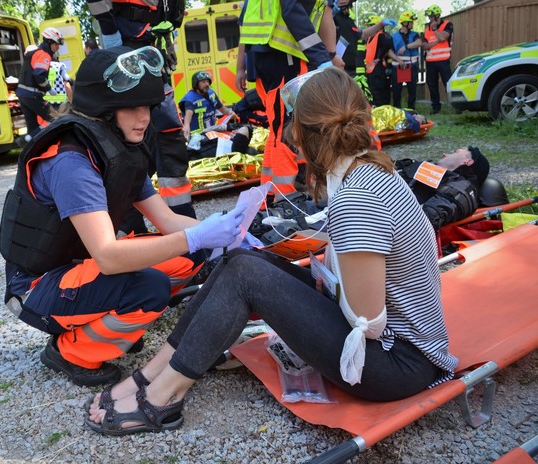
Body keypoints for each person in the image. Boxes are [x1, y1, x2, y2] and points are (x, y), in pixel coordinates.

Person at [84, 67, 458, 435]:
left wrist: (295, 294)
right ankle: (151, 375)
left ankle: (163, 396)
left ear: (306, 133)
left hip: (396, 363)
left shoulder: (356, 200)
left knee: (247, 275)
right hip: (395, 345)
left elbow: (369, 323)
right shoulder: (369, 171)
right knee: (241, 260)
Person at [0, 46, 251, 388]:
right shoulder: (72, 162)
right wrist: (196, 236)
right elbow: (108, 255)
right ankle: (71, 351)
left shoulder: (119, 150)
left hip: (78, 268)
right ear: (103, 109)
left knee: (193, 252)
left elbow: (168, 221)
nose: (144, 117)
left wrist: (232, 232)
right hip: (36, 287)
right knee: (151, 287)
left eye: (147, 106)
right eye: (132, 108)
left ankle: (110, 317)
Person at [87, 0, 196, 221]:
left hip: (152, 47)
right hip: (127, 46)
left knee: (166, 136)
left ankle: (182, 219)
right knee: (128, 139)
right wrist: (112, 40)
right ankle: (129, 223)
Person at [237, 0, 333, 203]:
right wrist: (322, 57)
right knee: (287, 131)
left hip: (266, 58)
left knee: (278, 130)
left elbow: (244, 26)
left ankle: (269, 196)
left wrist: (241, 68)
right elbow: (292, 11)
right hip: (285, 57)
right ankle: (286, 200)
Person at [396, 146, 490, 231]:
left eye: (455, 152)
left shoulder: (460, 190)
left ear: (467, 162)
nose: (444, 154)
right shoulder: (432, 173)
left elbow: (421, 222)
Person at [15, 27, 64, 148]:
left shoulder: (35, 52)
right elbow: (39, 75)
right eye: (56, 44)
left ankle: (30, 149)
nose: (58, 47)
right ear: (49, 42)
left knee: (33, 127)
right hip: (32, 94)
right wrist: (49, 88)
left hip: (23, 94)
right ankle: (25, 140)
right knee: (54, 117)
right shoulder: (43, 54)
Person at [179, 71, 234, 141]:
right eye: (203, 82)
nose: (207, 84)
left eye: (208, 81)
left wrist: (230, 112)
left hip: (213, 133)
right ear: (196, 84)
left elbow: (222, 109)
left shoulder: (211, 93)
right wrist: (186, 130)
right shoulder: (190, 99)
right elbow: (188, 116)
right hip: (198, 137)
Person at [363, 14, 402, 107]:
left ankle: (382, 109)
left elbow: (387, 46)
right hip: (371, 70)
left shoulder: (381, 35)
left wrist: (379, 58)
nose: (369, 28)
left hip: (378, 69)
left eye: (370, 25)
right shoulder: (370, 37)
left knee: (379, 94)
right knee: (373, 93)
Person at [421, 4, 453, 114]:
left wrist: (435, 29)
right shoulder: (427, 28)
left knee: (448, 83)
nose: (429, 19)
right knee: (432, 85)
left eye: (431, 17)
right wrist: (436, 41)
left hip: (443, 60)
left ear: (437, 16)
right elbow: (424, 46)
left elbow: (443, 38)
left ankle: (455, 106)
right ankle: (436, 108)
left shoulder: (447, 24)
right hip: (430, 61)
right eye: (429, 17)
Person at [391, 11, 422, 110]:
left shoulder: (415, 34)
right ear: (405, 23)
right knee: (396, 90)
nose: (412, 23)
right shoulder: (394, 36)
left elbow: (419, 43)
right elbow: (389, 52)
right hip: (398, 66)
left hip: (411, 66)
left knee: (412, 90)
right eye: (411, 22)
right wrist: (398, 60)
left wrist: (406, 47)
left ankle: (411, 109)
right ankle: (397, 109)